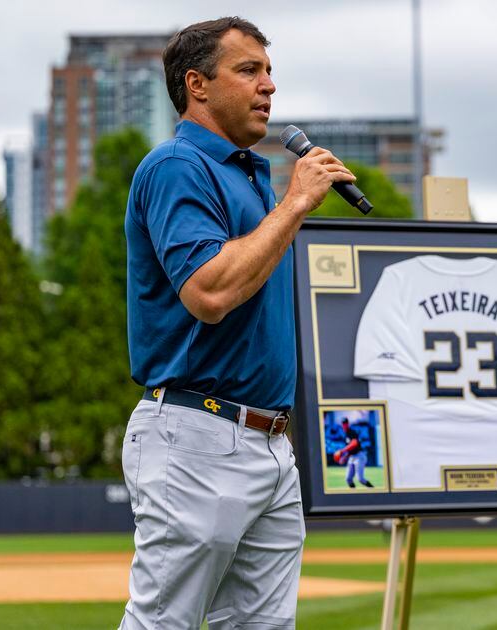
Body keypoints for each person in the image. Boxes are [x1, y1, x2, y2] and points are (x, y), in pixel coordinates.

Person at [120, 16, 356, 630]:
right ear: (197, 85)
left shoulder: (249, 173)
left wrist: (285, 202)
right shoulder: (176, 165)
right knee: (162, 622)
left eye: (269, 71)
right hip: (200, 430)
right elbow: (208, 291)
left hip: (270, 442)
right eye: (248, 71)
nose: (268, 86)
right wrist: (298, 202)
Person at [334, 415, 373, 488]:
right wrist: (344, 458)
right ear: (341, 425)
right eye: (343, 423)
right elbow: (350, 450)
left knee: (360, 479)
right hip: (352, 457)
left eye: (345, 423)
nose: (344, 425)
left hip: (359, 456)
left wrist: (342, 451)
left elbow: (354, 443)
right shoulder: (345, 435)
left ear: (348, 424)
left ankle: (373, 489)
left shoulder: (352, 432)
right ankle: (354, 493)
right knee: (348, 479)